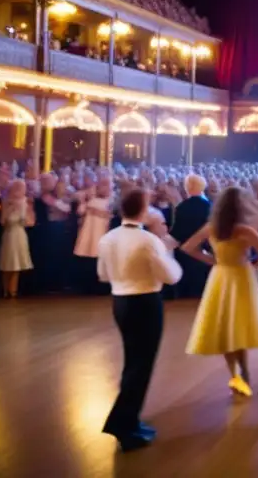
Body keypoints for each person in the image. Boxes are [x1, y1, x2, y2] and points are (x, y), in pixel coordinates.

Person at [97, 187, 182, 452]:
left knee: (133, 363)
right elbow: (172, 277)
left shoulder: (108, 237)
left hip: (120, 302)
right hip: (145, 303)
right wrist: (165, 247)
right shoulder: (148, 240)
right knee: (141, 366)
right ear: (144, 211)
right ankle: (122, 424)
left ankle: (130, 420)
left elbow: (103, 274)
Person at [183, 187, 258, 397]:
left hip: (220, 276)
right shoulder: (244, 230)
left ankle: (234, 373)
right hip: (241, 276)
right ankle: (243, 372)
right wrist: (257, 264)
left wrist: (212, 260)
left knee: (224, 325)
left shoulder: (211, 227)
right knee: (238, 326)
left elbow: (188, 247)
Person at [170, 174, 211, 298]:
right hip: (204, 250)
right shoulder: (209, 206)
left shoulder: (181, 207)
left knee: (186, 289)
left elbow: (177, 231)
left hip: (185, 251)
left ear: (187, 187)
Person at [0, 179, 33, 297]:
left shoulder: (26, 202)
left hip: (20, 234)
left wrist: (23, 213)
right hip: (9, 234)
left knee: (17, 264)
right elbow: (3, 221)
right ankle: (4, 290)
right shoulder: (6, 201)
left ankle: (13, 291)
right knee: (7, 263)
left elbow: (30, 222)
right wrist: (10, 209)